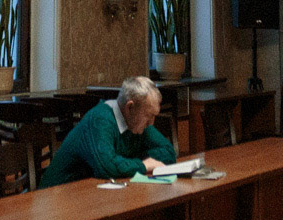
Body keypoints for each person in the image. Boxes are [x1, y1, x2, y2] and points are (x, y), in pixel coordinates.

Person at [38, 75, 178, 187]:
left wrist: (126, 164)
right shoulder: (100, 120)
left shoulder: (137, 123)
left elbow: (168, 153)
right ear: (130, 107)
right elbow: (107, 167)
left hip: (89, 192)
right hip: (57, 195)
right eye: (148, 115)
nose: (151, 123)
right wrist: (143, 165)